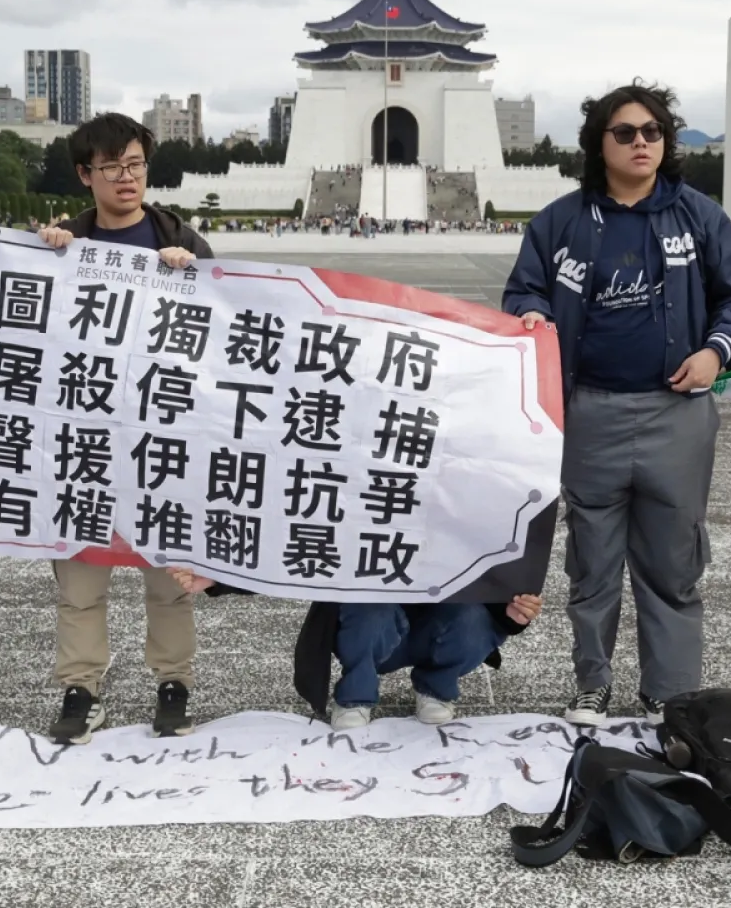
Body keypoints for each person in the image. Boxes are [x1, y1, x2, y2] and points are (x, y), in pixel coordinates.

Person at [501, 80, 731, 727]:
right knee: (592, 560)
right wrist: (534, 315)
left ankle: (671, 692)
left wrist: (716, 352)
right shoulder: (561, 221)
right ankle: (593, 683)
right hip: (588, 413)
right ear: (600, 143)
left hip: (676, 416)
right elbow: (522, 291)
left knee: (673, 561)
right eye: (625, 132)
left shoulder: (699, 216)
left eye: (652, 131)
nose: (641, 142)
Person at [33, 112, 213, 744]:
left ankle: (174, 684)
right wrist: (45, 258)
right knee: (81, 578)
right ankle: (81, 689)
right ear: (86, 175)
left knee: (169, 577)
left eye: (136, 164)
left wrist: (191, 272)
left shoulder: (181, 239)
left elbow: (224, 331)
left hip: (162, 437)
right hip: (84, 439)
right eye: (112, 168)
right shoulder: (61, 247)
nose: (127, 178)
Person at [168, 568, 541, 728]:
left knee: (475, 621)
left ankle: (437, 687)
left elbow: (504, 573)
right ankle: (355, 695)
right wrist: (219, 576)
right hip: (375, 626)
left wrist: (514, 614)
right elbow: (289, 556)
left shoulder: (467, 494)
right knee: (369, 608)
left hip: (444, 623)